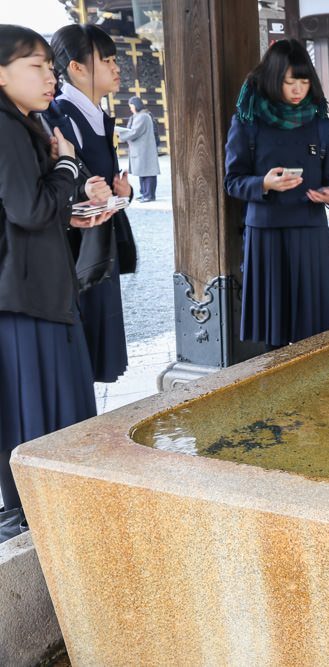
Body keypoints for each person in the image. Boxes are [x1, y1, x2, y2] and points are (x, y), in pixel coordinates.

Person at [0, 24, 112, 541]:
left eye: (51, 65)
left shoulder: (23, 123)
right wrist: (66, 165)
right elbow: (26, 209)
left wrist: (69, 215)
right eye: (36, 65)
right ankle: (39, 518)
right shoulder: (8, 127)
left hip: (33, 287)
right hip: (28, 295)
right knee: (38, 411)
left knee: (36, 406)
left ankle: (38, 514)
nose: (50, 75)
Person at [224, 38, 329, 349]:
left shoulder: (319, 121)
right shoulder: (249, 120)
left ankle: (320, 392)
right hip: (267, 234)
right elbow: (232, 181)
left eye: (304, 81)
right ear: (273, 79)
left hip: (311, 230)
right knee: (274, 335)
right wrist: (264, 184)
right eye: (289, 82)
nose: (297, 90)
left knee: (320, 333)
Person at [47, 23, 131, 384]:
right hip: (77, 246)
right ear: (77, 68)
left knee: (96, 340)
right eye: (108, 60)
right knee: (81, 347)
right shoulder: (60, 114)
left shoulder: (94, 112)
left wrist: (120, 195)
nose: (116, 69)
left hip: (99, 239)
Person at [114, 95, 159, 201]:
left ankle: (149, 195)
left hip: (144, 149)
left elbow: (134, 132)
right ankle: (144, 193)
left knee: (148, 172)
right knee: (142, 172)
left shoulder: (142, 116)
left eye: (131, 106)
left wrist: (119, 134)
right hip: (141, 149)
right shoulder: (139, 116)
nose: (131, 109)